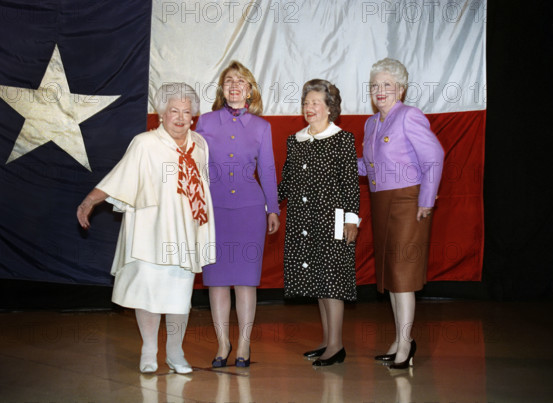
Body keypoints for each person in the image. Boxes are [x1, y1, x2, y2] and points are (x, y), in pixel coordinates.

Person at [76, 83, 215, 374]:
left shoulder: (200, 145)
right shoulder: (144, 143)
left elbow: (202, 192)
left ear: (194, 116)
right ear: (161, 114)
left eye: (186, 112)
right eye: (173, 111)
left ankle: (175, 352)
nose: (179, 117)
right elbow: (120, 177)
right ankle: (149, 351)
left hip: (184, 234)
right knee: (149, 292)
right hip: (150, 231)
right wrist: (90, 200)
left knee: (179, 296)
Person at [357, 58, 444, 369]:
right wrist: (340, 166)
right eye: (374, 86)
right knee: (392, 276)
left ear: (401, 89)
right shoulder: (371, 124)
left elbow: (434, 155)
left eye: (387, 85)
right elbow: (368, 165)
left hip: (408, 203)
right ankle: (398, 338)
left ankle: (406, 344)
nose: (380, 91)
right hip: (381, 203)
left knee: (403, 276)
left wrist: (427, 199)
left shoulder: (409, 116)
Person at [195, 61, 280, 368]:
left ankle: (243, 343)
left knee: (245, 281)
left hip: (249, 212)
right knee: (216, 281)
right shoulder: (204, 121)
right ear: (222, 88)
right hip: (214, 211)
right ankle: (222, 343)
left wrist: (274, 208)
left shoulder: (262, 127)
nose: (234, 85)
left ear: (250, 90)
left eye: (240, 81)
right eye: (229, 80)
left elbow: (267, 171)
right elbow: (194, 166)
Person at [278, 79, 360, 367]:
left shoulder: (343, 139)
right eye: (306, 102)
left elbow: (351, 184)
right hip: (304, 219)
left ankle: (336, 346)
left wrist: (352, 219)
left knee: (332, 281)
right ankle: (327, 340)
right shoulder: (295, 140)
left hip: (333, 220)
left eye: (315, 103)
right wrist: (264, 203)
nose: (309, 108)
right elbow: (286, 182)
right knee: (318, 281)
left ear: (329, 108)